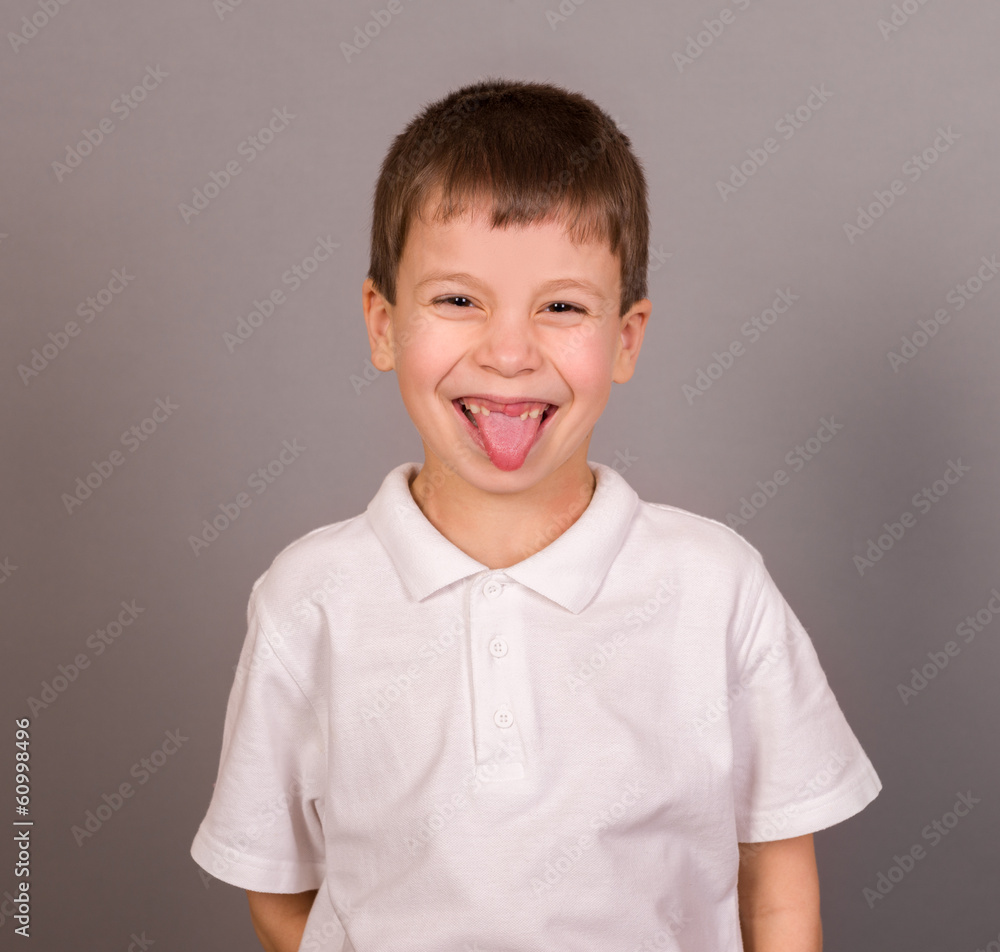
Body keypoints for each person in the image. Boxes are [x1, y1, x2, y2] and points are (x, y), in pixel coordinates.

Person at [190, 77, 882, 952]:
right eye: (456, 299)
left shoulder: (716, 587)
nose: (509, 352)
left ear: (626, 338)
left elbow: (777, 889)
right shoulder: (310, 599)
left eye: (561, 307)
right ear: (382, 323)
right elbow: (279, 891)